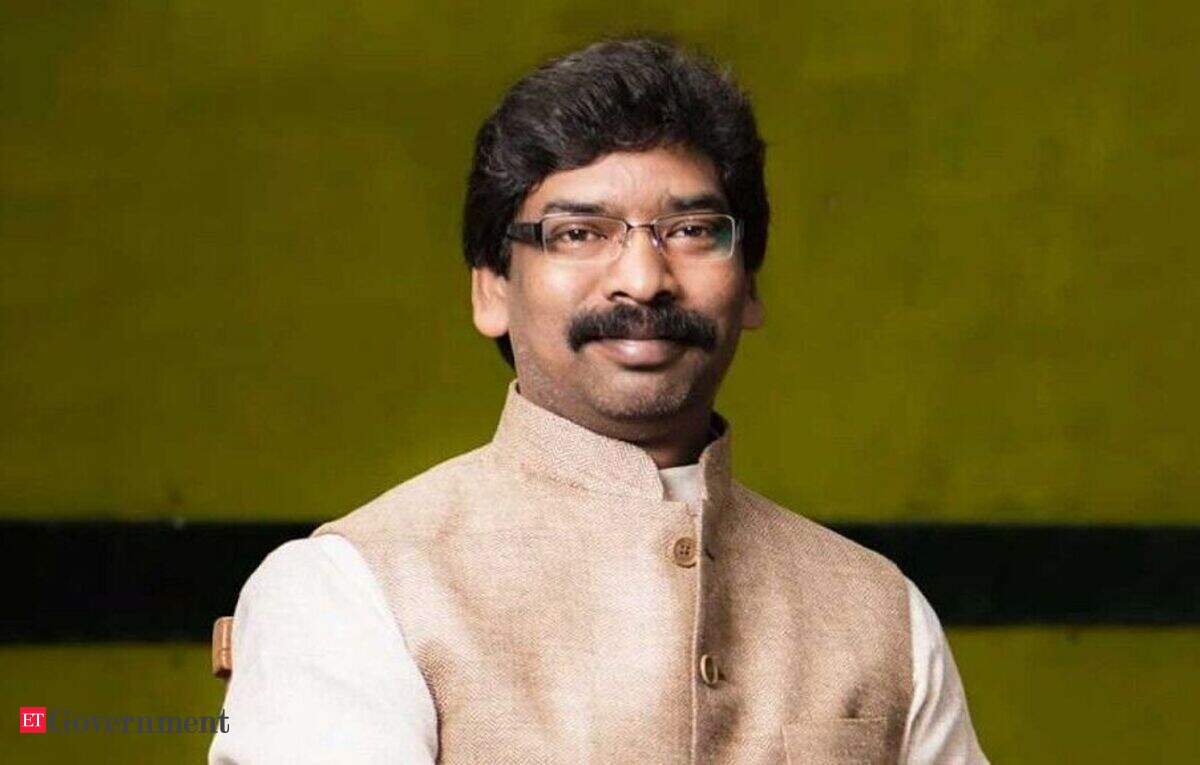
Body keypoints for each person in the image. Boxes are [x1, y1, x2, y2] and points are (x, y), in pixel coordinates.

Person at [209, 36, 987, 764]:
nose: (643, 280)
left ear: (750, 284)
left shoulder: (881, 613)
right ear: (492, 288)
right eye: (579, 233)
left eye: (692, 229)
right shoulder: (347, 590)